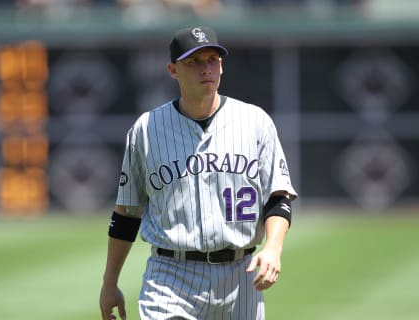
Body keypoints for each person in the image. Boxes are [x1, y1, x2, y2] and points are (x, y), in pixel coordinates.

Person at [99, 26, 298, 320]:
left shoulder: (255, 122)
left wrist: (273, 248)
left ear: (222, 65)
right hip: (171, 275)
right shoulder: (146, 130)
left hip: (240, 275)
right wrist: (109, 283)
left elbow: (278, 199)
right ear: (172, 70)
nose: (206, 68)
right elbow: (126, 215)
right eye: (194, 61)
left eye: (212, 60)